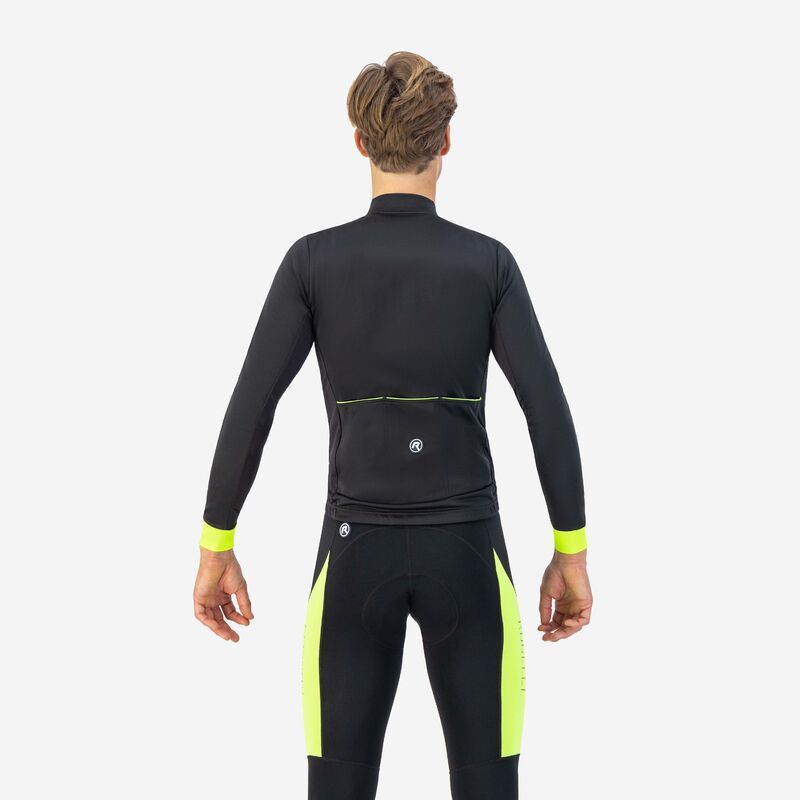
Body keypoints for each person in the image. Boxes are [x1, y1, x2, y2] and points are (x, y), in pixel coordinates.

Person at [193, 51, 592, 800]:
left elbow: (251, 406)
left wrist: (218, 542)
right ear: (446, 142)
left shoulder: (312, 263)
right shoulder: (488, 265)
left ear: (359, 142)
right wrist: (569, 551)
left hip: (353, 556)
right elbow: (548, 409)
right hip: (469, 551)